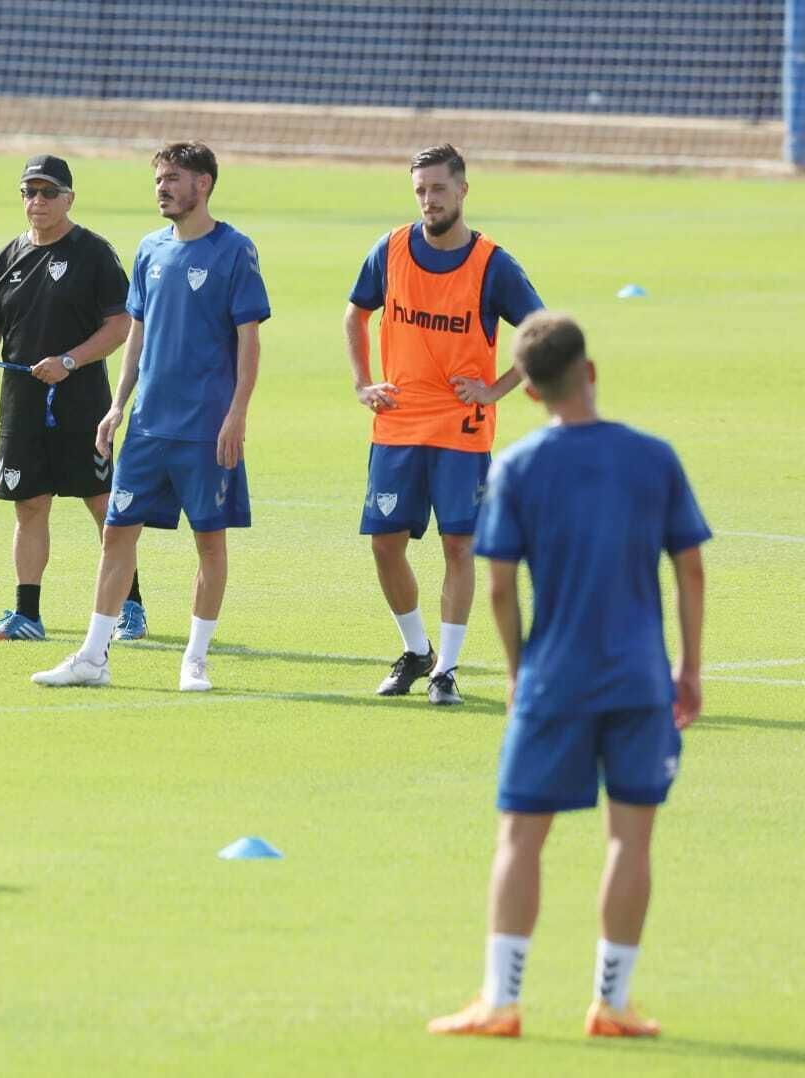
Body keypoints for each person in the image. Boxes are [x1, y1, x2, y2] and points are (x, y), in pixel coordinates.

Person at [427, 312, 708, 1038]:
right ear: (590, 371)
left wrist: (521, 673)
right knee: (631, 840)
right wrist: (690, 666)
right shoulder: (655, 458)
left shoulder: (519, 466)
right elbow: (690, 568)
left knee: (521, 837)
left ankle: (502, 1000)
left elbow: (496, 587)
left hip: (554, 678)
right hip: (640, 680)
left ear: (529, 392)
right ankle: (611, 1003)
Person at [33, 141, 269, 692]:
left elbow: (248, 341)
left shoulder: (234, 251)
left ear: (203, 184)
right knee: (117, 534)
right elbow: (136, 333)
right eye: (159, 178)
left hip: (206, 428)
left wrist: (237, 413)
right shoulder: (150, 250)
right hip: (146, 426)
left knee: (209, 541)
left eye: (174, 178)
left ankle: (196, 659)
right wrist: (117, 406)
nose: (162, 187)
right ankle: (93, 656)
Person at [343, 144, 543, 705]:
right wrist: (363, 383)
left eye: (438, 189)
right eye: (420, 191)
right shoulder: (391, 249)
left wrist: (496, 389)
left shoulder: (492, 264)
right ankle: (415, 649)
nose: (429, 200)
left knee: (460, 543)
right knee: (385, 544)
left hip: (461, 428)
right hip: (398, 424)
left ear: (462, 191)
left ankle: (446, 671)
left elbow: (540, 331)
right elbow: (356, 313)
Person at [0, 154, 144, 642]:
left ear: (69, 198)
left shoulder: (94, 254)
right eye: (29, 193)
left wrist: (70, 361)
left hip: (81, 401)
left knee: (102, 503)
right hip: (21, 404)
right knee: (29, 504)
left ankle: (131, 606)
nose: (36, 202)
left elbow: (121, 325)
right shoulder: (5, 258)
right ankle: (27, 614)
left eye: (47, 193)